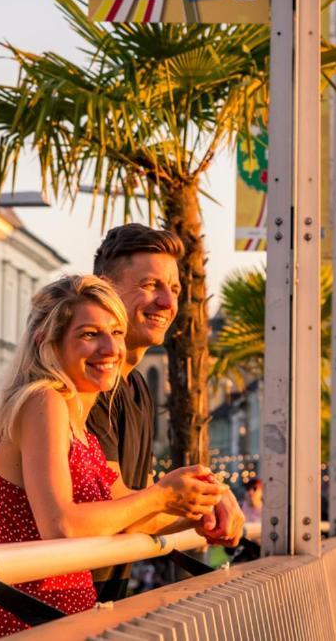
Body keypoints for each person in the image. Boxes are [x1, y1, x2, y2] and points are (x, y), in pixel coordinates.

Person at [0, 276, 225, 641]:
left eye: (116, 332)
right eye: (89, 334)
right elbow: (61, 525)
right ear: (47, 340)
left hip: (56, 619)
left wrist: (201, 510)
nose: (110, 348)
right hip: (27, 621)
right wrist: (163, 494)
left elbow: (126, 512)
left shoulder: (77, 423)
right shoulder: (44, 401)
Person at [87, 224, 244, 600]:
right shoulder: (88, 385)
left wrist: (204, 501)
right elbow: (114, 510)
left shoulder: (137, 389)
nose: (168, 303)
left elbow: (132, 508)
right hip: (41, 616)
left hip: (94, 608)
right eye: (149, 285)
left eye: (173, 289)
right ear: (104, 289)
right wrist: (201, 506)